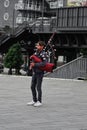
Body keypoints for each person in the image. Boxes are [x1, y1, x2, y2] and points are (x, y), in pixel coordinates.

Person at [27, 41, 47, 107]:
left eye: (38, 45)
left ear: (42, 46)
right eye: (37, 45)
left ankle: (39, 101)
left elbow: (44, 63)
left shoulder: (44, 54)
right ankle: (34, 100)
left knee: (38, 87)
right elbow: (33, 60)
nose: (36, 46)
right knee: (32, 86)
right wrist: (31, 65)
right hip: (35, 72)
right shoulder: (36, 52)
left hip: (40, 73)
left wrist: (35, 64)